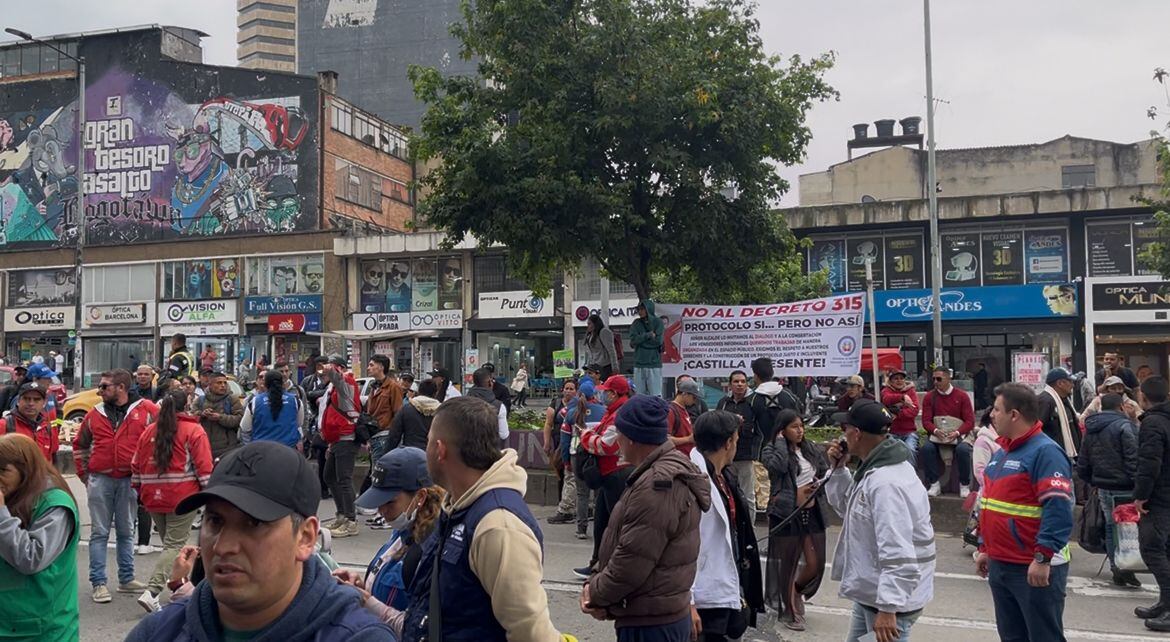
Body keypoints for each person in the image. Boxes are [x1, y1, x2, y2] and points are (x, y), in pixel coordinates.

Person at [126, 441, 395, 641]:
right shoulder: (158, 632)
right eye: (215, 521)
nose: (223, 546)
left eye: (253, 523)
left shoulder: (359, 637)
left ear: (305, 538)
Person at [401, 396, 566, 641]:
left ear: (440, 449)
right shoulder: (458, 507)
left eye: (428, 442)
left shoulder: (498, 525)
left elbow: (532, 634)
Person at [579, 395, 710, 641]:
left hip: (652, 623)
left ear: (631, 438)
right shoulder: (660, 471)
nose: (616, 441)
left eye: (618, 434)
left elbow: (632, 561)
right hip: (655, 614)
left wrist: (594, 594)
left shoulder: (657, 485)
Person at [824, 399, 935, 642]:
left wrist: (888, 608)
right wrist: (839, 470)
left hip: (891, 603)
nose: (842, 435)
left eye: (845, 428)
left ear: (856, 433)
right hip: (872, 593)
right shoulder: (877, 469)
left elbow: (897, 549)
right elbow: (849, 508)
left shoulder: (886, 483)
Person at [976, 383, 1074, 641]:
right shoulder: (1002, 452)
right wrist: (985, 547)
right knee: (1011, 636)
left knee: (1043, 636)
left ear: (1014, 415)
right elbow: (990, 505)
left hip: (1031, 566)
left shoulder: (1046, 452)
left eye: (997, 409)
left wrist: (1042, 557)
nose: (991, 415)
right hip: (1001, 564)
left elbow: (1058, 509)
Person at [335, 447, 445, 636]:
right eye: (378, 501)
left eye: (389, 502)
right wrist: (362, 587)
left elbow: (421, 630)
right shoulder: (401, 532)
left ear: (420, 497)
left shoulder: (432, 550)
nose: (381, 510)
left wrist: (367, 602)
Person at [74, 368, 158, 603]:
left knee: (126, 530)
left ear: (121, 388)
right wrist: (85, 475)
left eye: (104, 386)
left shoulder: (147, 410)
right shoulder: (94, 414)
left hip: (129, 480)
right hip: (100, 479)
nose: (99, 391)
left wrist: (149, 474)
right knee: (100, 532)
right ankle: (99, 583)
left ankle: (126, 578)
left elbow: (164, 438)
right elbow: (80, 444)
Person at [130, 390, 213, 612]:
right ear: (186, 405)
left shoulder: (149, 431)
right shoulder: (194, 430)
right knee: (174, 545)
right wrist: (210, 495)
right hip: (182, 496)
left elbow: (136, 464)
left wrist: (140, 492)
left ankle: (179, 585)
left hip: (152, 496)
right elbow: (204, 467)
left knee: (172, 546)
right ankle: (152, 591)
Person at [689, 411, 764, 641]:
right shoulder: (693, 480)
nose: (737, 444)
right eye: (737, 438)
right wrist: (688, 600)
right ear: (728, 442)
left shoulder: (724, 475)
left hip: (726, 582)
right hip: (703, 593)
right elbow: (683, 545)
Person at [0, 433, 80, 641]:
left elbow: (31, 558)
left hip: (43, 626)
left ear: (26, 469)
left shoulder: (55, 503)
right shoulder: (13, 496)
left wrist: (1, 515)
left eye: (3, 471)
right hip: (8, 620)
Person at [762, 409, 830, 631]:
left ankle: (797, 591)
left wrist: (816, 483)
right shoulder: (771, 449)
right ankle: (789, 610)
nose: (800, 431)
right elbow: (778, 467)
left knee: (815, 562)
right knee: (789, 564)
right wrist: (782, 443)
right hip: (786, 512)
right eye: (794, 427)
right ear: (782, 430)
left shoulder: (809, 448)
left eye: (801, 426)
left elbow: (824, 469)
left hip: (811, 509)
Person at [1077, 393, 1141, 588]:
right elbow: (1132, 457)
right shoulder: (1125, 426)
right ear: (1121, 407)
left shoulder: (1091, 428)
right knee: (1129, 526)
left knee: (1111, 526)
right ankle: (1128, 565)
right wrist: (1138, 484)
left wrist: (1092, 480)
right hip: (1125, 486)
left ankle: (1116, 566)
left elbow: (1084, 461)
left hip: (1103, 485)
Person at [576, 374, 633, 578]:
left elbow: (606, 445)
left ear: (614, 393)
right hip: (608, 474)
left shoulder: (621, 414)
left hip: (617, 473)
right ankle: (597, 563)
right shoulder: (614, 411)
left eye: (606, 392)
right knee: (601, 522)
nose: (603, 395)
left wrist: (585, 435)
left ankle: (613, 567)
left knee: (615, 525)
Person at [1134, 376, 1170, 631]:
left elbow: (1149, 462)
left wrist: (1141, 495)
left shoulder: (1153, 422)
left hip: (1159, 496)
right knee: (1165, 550)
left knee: (1152, 549)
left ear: (1143, 397)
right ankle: (1164, 602)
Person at [318, 355, 363, 538]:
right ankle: (342, 515)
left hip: (346, 438)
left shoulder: (346, 383)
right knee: (329, 476)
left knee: (344, 479)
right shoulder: (334, 388)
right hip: (337, 439)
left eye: (332, 367)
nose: (325, 371)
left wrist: (330, 368)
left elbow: (337, 377)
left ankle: (351, 521)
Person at [920, 367, 976, 498]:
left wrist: (957, 432)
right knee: (927, 448)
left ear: (948, 378)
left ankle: (964, 484)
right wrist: (935, 431)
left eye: (939, 379)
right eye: (933, 379)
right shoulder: (929, 397)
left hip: (958, 434)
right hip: (938, 435)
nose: (935, 382)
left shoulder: (962, 396)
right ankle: (934, 483)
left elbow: (970, 421)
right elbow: (926, 421)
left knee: (963, 450)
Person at [716, 370, 764, 516]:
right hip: (725, 457)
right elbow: (717, 424)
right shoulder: (723, 403)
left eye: (743, 381)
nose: (740, 384)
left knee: (748, 495)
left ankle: (750, 528)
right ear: (730, 384)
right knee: (726, 494)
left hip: (745, 456)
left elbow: (760, 428)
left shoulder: (754, 402)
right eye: (736, 381)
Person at [240, 370, 303, 448]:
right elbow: (299, 423)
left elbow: (245, 428)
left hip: (261, 448)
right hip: (289, 448)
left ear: (265, 384)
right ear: (283, 383)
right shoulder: (295, 400)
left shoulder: (255, 401)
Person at [546, 379, 580, 525]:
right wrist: (547, 442)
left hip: (572, 445)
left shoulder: (578, 407)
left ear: (577, 391)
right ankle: (564, 504)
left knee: (570, 476)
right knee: (562, 473)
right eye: (566, 388)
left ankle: (568, 509)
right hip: (559, 443)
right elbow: (548, 424)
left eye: (571, 388)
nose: (568, 391)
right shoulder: (556, 404)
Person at [190, 372, 244, 461]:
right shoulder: (200, 400)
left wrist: (220, 417)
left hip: (227, 449)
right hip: (203, 447)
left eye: (225, 383)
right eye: (219, 383)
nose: (223, 385)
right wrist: (202, 414)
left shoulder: (232, 400)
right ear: (210, 385)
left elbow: (239, 420)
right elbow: (191, 419)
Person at [0, 382, 60, 463]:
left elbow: (51, 458)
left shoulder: (47, 428)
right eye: (26, 399)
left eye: (36, 399)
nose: (31, 403)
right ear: (18, 401)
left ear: (44, 403)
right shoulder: (5, 425)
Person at [301, 356, 331, 498]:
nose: (322, 368)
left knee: (330, 458)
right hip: (315, 422)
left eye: (324, 365)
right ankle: (322, 489)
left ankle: (329, 487)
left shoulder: (333, 380)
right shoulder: (308, 381)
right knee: (320, 456)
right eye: (319, 365)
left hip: (330, 422)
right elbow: (306, 396)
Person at [1038, 367, 1082, 459]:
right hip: (1053, 456)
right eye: (1070, 382)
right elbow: (1037, 428)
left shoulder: (1065, 400)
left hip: (1069, 456)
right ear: (1060, 383)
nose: (1073, 385)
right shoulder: (1045, 401)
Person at [386, 379, 440, 451]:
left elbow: (394, 435)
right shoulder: (442, 411)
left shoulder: (406, 409)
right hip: (432, 453)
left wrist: (388, 453)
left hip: (410, 452)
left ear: (419, 392)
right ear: (435, 393)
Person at [629, 299, 665, 397]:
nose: (640, 312)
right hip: (639, 363)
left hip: (654, 363)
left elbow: (658, 341)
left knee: (655, 395)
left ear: (648, 309)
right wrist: (648, 335)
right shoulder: (636, 323)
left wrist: (640, 342)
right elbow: (633, 341)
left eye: (642, 309)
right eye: (638, 309)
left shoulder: (658, 322)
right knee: (639, 396)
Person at [880, 369, 920, 453]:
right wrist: (902, 397)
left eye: (901, 378)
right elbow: (886, 399)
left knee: (910, 449)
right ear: (890, 381)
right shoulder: (886, 391)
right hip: (891, 432)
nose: (899, 381)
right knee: (890, 452)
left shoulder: (911, 391)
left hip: (909, 432)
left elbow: (915, 410)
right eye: (896, 378)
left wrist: (898, 413)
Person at [467, 367, 510, 444]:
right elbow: (503, 435)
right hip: (490, 448)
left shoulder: (463, 402)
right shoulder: (499, 406)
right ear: (489, 381)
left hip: (466, 448)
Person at [581, 313, 620, 381]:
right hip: (594, 365)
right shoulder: (590, 335)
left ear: (595, 324)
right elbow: (590, 353)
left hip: (605, 366)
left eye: (590, 324)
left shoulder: (603, 332)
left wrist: (615, 367)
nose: (588, 326)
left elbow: (611, 350)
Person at [667, 378, 699, 456]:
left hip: (687, 457)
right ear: (684, 394)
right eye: (694, 397)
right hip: (677, 458)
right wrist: (688, 439)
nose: (695, 401)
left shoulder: (684, 409)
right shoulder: (671, 411)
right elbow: (665, 439)